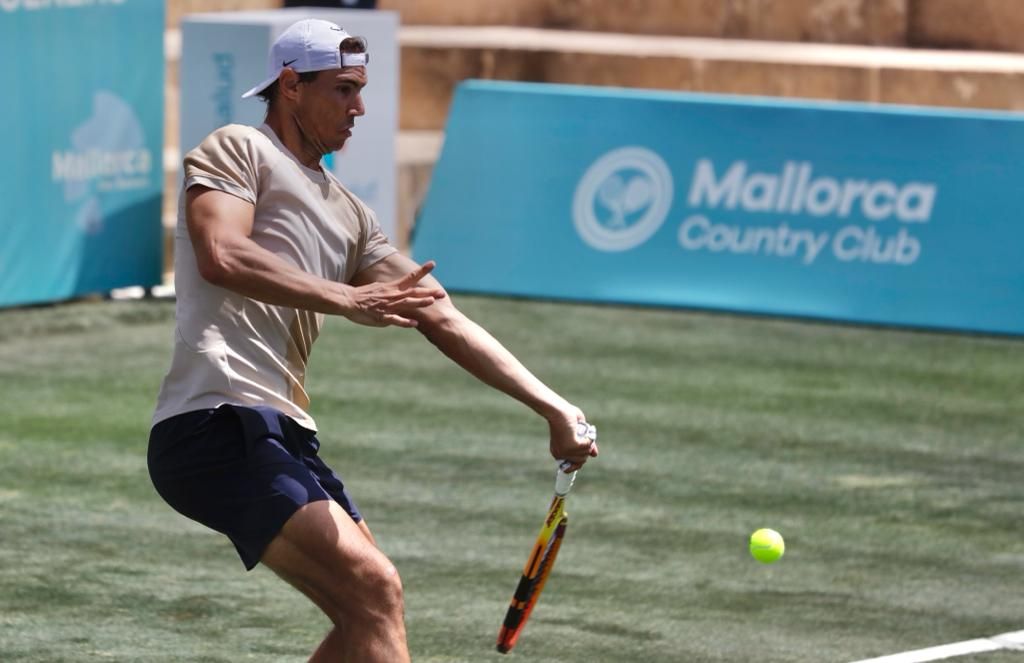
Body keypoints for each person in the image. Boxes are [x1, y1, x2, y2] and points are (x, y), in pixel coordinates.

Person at [147, 18, 597, 662]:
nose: (359, 107)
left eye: (362, 89)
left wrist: (553, 406)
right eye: (343, 89)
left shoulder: (351, 214)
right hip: (213, 424)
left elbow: (439, 314)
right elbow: (220, 251)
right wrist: (347, 297)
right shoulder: (238, 148)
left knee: (370, 610)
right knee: (374, 587)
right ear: (291, 85)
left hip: (285, 432)